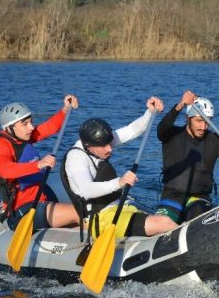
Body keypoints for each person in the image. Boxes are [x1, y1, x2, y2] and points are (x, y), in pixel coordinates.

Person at [61, 97, 178, 239]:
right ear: (88, 146)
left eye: (110, 143)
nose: (110, 149)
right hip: (102, 220)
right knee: (164, 223)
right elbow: (86, 190)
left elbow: (131, 131)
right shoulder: (76, 159)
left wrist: (149, 113)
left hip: (120, 208)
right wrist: (119, 182)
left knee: (164, 219)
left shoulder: (99, 143)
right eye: (104, 146)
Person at [156, 90, 219, 224]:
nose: (204, 127)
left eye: (207, 122)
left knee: (197, 220)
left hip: (199, 199)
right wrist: (180, 105)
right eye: (199, 121)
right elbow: (161, 129)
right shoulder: (171, 135)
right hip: (172, 196)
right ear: (188, 118)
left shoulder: (214, 140)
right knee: (161, 224)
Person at [0, 95, 80, 231]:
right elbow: (5, 170)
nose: (31, 127)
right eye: (25, 124)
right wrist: (38, 165)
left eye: (31, 122)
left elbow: (49, 127)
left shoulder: (21, 137)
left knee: (83, 214)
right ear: (9, 128)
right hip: (24, 209)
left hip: (40, 199)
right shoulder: (0, 146)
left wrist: (65, 109)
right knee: (79, 213)